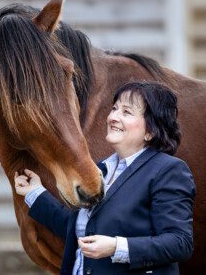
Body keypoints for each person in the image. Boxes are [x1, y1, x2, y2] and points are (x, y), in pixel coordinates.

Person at [14, 81, 196, 275]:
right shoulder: (101, 168)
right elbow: (77, 229)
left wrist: (116, 247)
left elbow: (180, 243)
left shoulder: (168, 171)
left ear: (150, 131)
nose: (114, 117)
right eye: (115, 108)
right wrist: (35, 193)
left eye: (126, 112)